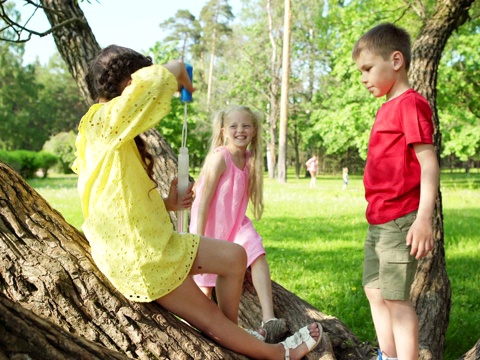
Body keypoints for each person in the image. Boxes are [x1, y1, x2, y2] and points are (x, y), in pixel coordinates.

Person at [72, 45, 322, 360]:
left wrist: (168, 203)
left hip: (151, 243)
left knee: (235, 257)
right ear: (128, 84)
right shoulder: (101, 122)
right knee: (210, 318)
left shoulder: (112, 132)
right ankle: (279, 354)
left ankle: (230, 337)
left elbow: (118, 200)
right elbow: (152, 86)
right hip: (141, 257)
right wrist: (177, 70)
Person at [351, 23, 439, 360]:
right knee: (375, 290)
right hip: (378, 219)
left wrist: (423, 220)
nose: (363, 78)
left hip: (400, 219)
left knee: (396, 299)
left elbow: (428, 164)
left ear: (396, 60)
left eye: (368, 68)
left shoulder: (410, 104)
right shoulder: (387, 106)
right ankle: (386, 354)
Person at [190, 105, 288, 343]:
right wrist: (198, 238)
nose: (240, 130)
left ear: (254, 131)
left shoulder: (250, 159)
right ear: (224, 131)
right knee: (205, 286)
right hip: (211, 227)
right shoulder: (219, 158)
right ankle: (201, 330)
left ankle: (269, 320)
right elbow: (202, 202)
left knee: (257, 253)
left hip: (236, 225)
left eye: (246, 126)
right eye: (234, 126)